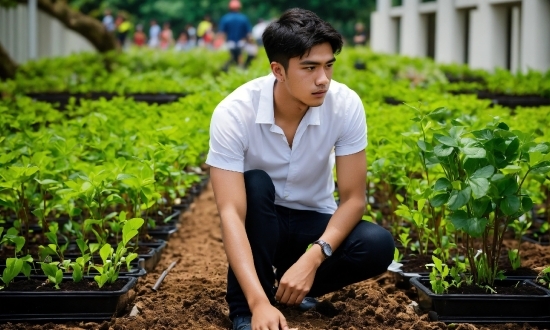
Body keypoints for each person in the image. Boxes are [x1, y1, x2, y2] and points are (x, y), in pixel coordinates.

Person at [206, 8, 395, 330]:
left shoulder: (345, 105)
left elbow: (353, 199)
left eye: (328, 65)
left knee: (377, 243)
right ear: (278, 70)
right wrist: (257, 303)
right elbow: (231, 213)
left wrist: (313, 258)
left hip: (311, 221)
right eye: (309, 68)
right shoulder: (235, 113)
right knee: (255, 184)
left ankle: (289, 291)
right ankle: (246, 309)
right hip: (260, 222)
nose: (323, 79)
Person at [218, 0, 252, 71]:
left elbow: (222, 34)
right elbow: (249, 35)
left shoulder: (225, 18)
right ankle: (244, 68)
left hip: (230, 44)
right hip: (241, 44)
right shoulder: (243, 18)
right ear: (239, 8)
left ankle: (226, 70)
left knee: (230, 59)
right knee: (247, 55)